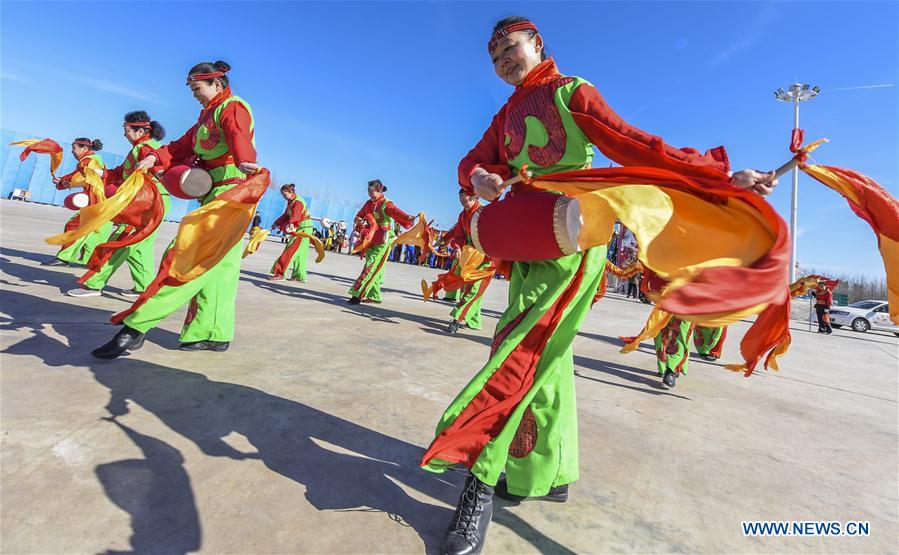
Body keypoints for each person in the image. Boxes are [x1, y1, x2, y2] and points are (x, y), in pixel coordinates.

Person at [419, 17, 779, 555]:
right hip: (524, 246)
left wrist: (720, 176)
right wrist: (479, 178)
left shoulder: (572, 92)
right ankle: (549, 471)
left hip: (571, 242)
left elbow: (637, 145)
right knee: (549, 362)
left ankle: (479, 483)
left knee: (516, 355)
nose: (503, 61)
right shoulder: (506, 113)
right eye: (494, 57)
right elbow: (472, 159)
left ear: (537, 44)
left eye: (510, 48)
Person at [92, 60, 259, 359]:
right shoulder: (207, 116)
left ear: (216, 85)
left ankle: (136, 328)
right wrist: (155, 158)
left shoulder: (232, 106)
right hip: (216, 194)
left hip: (232, 194)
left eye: (197, 88)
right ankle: (212, 333)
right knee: (220, 267)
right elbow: (181, 146)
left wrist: (246, 160)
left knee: (184, 256)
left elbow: (238, 133)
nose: (194, 94)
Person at [66, 112, 170, 299]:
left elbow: (159, 169)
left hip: (147, 204)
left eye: (126, 130)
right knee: (138, 247)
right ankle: (144, 288)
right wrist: (97, 172)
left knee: (120, 241)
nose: (124, 134)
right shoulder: (139, 149)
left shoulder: (146, 148)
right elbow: (119, 173)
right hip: (152, 201)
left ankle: (93, 284)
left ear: (141, 131)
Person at [346, 180, 415, 304]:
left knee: (371, 265)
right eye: (368, 191)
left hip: (383, 239)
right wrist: (358, 220)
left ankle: (357, 294)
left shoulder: (386, 204)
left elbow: (396, 212)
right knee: (375, 266)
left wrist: (407, 217)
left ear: (379, 190)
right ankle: (375, 296)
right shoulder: (368, 204)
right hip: (371, 237)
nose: (369, 194)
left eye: (371, 191)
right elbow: (360, 215)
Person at [45, 138, 108, 267]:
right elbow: (79, 177)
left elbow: (78, 177)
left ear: (84, 149)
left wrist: (63, 182)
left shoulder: (89, 161)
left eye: (74, 148)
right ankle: (87, 260)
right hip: (105, 203)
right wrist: (63, 181)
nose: (72, 152)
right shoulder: (95, 160)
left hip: (95, 201)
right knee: (96, 233)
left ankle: (64, 257)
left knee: (73, 226)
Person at [442, 189, 493, 334]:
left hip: (485, 258)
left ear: (474, 197)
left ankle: (456, 319)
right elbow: (458, 235)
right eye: (461, 200)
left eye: (466, 200)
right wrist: (457, 247)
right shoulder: (462, 215)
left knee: (474, 289)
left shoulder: (485, 212)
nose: (463, 203)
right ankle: (474, 321)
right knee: (469, 288)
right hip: (469, 257)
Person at [270, 184, 313, 282]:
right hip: (304, 228)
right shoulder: (291, 202)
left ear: (291, 192)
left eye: (285, 195)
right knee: (300, 254)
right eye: (282, 195)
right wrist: (276, 223)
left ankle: (280, 274)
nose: (284, 197)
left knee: (290, 250)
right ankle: (299, 276)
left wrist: (291, 224)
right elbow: (286, 216)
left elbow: (296, 216)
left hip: (303, 230)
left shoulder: (297, 202)